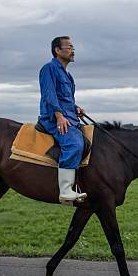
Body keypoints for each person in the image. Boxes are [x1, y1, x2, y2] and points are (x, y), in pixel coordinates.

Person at [38, 36, 88, 204]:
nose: (72, 50)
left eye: (73, 47)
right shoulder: (49, 68)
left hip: (69, 117)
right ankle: (66, 190)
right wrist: (59, 116)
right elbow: (49, 94)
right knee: (74, 144)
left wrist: (76, 108)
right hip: (53, 118)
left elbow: (66, 99)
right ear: (57, 51)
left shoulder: (68, 74)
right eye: (69, 47)